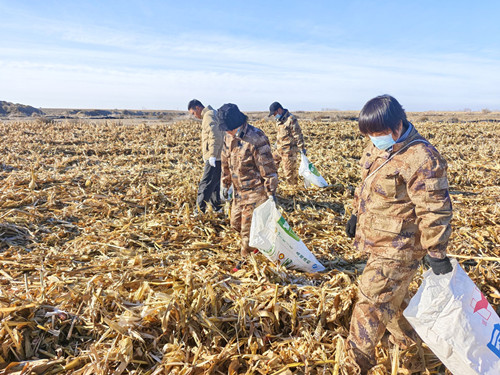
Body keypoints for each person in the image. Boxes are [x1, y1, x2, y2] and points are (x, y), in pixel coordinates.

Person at [344, 95, 453, 374]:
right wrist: (356, 213)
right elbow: (366, 185)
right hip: (377, 241)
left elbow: (435, 209)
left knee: (370, 304)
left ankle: (353, 366)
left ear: (397, 125)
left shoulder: (422, 157)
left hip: (400, 247)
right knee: (393, 303)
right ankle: (413, 351)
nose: (372, 139)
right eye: (367, 134)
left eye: (377, 133)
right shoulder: (377, 148)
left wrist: (437, 252)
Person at [217, 103, 278, 270]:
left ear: (235, 123)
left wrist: (271, 194)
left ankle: (246, 262)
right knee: (235, 224)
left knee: (247, 232)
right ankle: (258, 245)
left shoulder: (256, 138)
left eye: (227, 128)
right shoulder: (228, 137)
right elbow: (225, 161)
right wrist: (225, 183)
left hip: (255, 193)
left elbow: (268, 169)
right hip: (238, 192)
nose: (226, 131)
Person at [188, 99, 225, 213]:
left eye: (193, 113)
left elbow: (215, 136)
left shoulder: (208, 116)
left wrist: (212, 155)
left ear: (198, 108)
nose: (194, 116)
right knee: (214, 182)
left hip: (214, 156)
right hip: (218, 155)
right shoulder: (213, 113)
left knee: (205, 183)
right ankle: (216, 207)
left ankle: (199, 209)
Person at [268, 101, 306, 185]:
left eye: (274, 114)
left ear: (279, 110)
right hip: (279, 149)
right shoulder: (279, 120)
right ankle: (272, 184)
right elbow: (281, 133)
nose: (274, 116)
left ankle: (293, 189)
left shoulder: (291, 119)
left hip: (289, 152)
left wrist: (302, 148)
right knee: (271, 165)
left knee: (289, 174)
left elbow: (297, 134)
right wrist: (276, 143)